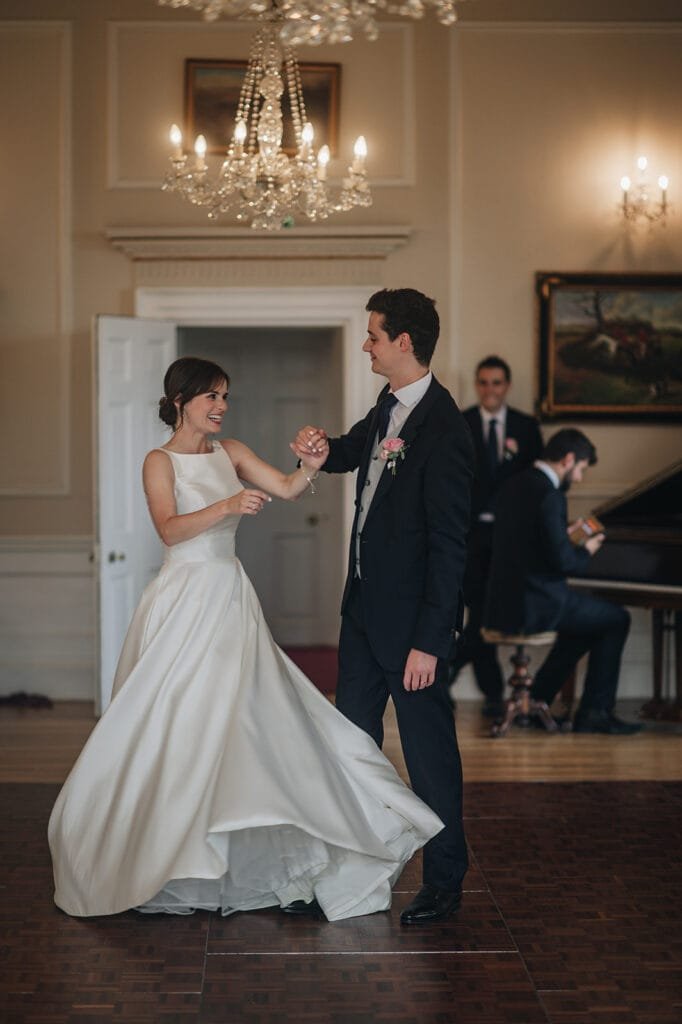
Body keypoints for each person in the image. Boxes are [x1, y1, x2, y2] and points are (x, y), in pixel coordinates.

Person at [48, 356, 445, 921]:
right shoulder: (158, 461)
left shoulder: (230, 452)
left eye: (225, 397)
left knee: (246, 721)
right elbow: (169, 529)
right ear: (181, 399)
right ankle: (166, 848)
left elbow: (285, 487)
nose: (221, 408)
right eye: (212, 397)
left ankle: (238, 847)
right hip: (182, 599)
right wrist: (229, 504)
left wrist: (309, 465)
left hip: (230, 598)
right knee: (177, 719)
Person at [292, 288, 474, 925]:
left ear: (404, 341)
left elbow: (451, 547)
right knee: (353, 747)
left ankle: (444, 881)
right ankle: (353, 874)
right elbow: (355, 453)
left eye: (373, 335)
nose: (366, 345)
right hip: (363, 613)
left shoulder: (446, 428)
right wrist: (321, 450)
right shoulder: (388, 407)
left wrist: (431, 640)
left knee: (429, 760)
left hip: (413, 632)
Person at [484, 428, 642, 735]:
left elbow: (528, 544)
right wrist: (586, 549)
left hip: (503, 601)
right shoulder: (550, 495)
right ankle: (595, 712)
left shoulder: (513, 484)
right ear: (569, 460)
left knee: (586, 625)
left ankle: (540, 697)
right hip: (535, 603)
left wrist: (562, 536)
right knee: (616, 619)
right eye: (581, 468)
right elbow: (564, 563)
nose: (580, 477)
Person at [450, 356, 543, 716]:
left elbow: (537, 484)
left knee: (489, 613)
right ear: (477, 385)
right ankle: (491, 691)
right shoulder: (461, 423)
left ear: (507, 386)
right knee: (480, 610)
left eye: (497, 383)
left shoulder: (526, 426)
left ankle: (458, 672)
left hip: (511, 538)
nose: (490, 389)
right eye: (484, 382)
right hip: (469, 536)